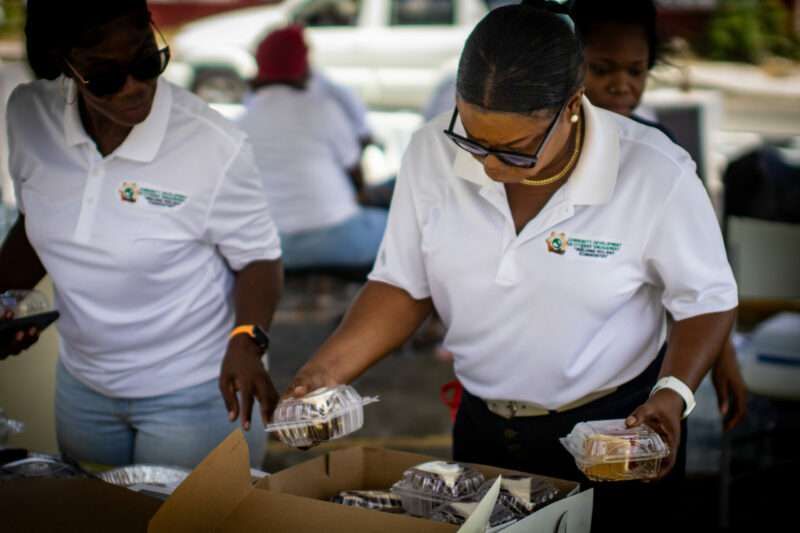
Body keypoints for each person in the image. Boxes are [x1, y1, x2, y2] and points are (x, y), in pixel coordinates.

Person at [283, 5, 738, 528]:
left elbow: (706, 299)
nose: (491, 166)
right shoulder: (431, 150)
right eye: (473, 140)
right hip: (484, 430)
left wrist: (673, 394)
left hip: (613, 434)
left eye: (516, 150)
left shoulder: (654, 170)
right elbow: (404, 285)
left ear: (572, 105)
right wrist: (325, 372)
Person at [0, 0, 283, 469]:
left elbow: (260, 259)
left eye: (147, 62)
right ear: (64, 64)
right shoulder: (29, 116)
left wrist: (246, 340)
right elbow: (40, 218)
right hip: (83, 389)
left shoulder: (213, 144)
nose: (133, 86)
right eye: (105, 77)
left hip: (196, 393)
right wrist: (7, 304)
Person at [572, 0, 748, 431]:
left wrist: (722, 354)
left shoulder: (660, 153)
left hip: (635, 381)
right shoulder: (544, 145)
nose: (621, 86)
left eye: (636, 72)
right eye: (602, 69)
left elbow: (699, 274)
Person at [237, 25, 387, 271]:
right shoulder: (322, 109)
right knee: (402, 229)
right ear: (303, 65)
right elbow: (354, 169)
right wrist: (361, 197)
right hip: (337, 237)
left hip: (274, 245)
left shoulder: (242, 122)